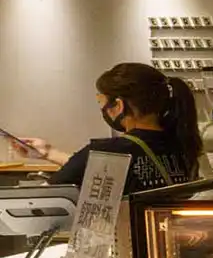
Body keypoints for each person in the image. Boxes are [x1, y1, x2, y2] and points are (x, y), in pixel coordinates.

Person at [24, 63, 203, 194]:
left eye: (101, 101)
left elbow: (46, 198)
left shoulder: (107, 151)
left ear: (118, 105)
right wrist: (49, 152)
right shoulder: (182, 144)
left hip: (129, 244)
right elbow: (101, 166)